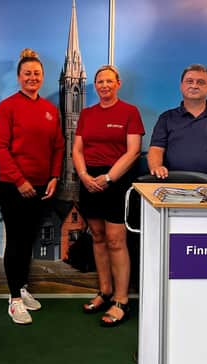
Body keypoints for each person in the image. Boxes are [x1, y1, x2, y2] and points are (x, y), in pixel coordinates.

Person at [0, 48, 64, 325]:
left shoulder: (49, 110)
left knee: (29, 240)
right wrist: (19, 180)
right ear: (19, 77)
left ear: (42, 77)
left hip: (42, 186)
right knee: (16, 241)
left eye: (36, 73)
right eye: (27, 73)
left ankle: (22, 286)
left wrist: (55, 176)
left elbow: (58, 146)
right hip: (13, 187)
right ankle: (14, 299)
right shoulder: (6, 107)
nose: (32, 77)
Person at [72, 65, 145, 327]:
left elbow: (133, 151)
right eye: (100, 81)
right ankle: (104, 291)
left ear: (118, 83)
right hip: (89, 180)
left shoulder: (129, 112)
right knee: (99, 237)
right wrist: (83, 175)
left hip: (117, 180)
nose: (104, 85)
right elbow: (77, 148)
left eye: (109, 81)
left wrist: (109, 178)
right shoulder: (87, 114)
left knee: (116, 240)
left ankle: (121, 300)